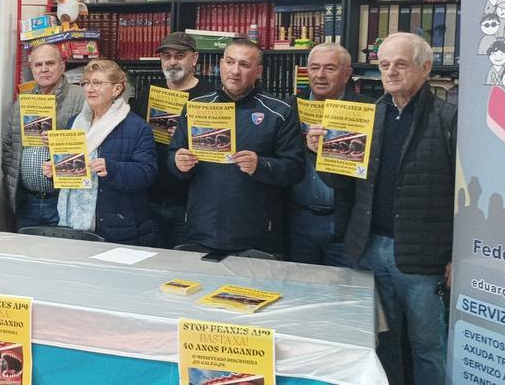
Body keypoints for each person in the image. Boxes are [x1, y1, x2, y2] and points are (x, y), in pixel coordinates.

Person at [311, 33, 456, 385]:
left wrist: (455, 256)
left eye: (400, 64)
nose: (390, 72)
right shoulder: (367, 115)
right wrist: (322, 153)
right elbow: (341, 184)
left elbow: (464, 195)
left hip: (423, 256)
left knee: (427, 346)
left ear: (425, 67)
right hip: (369, 248)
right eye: (384, 64)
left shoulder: (449, 118)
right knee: (382, 342)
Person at [168, 38, 305, 257]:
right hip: (201, 228)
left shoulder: (280, 111)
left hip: (256, 233)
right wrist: (178, 162)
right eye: (230, 62)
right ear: (220, 65)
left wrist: (261, 165)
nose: (235, 71)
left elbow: (295, 168)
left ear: (258, 71)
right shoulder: (197, 107)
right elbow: (173, 153)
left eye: (244, 64)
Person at [39, 60, 158, 245]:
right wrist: (54, 170)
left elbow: (147, 174)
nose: (89, 89)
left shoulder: (137, 127)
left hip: (116, 227)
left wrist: (112, 168)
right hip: (72, 225)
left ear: (117, 89)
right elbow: (72, 168)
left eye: (97, 83)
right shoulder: (74, 123)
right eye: (86, 83)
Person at [128, 32, 214, 248]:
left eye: (179, 55)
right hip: (150, 198)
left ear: (193, 59)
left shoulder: (211, 97)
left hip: (191, 202)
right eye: (167, 56)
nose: (172, 61)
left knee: (186, 266)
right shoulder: (149, 93)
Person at [287, 43, 368, 266]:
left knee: (344, 293)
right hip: (298, 219)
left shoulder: (368, 110)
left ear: (347, 73)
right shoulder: (289, 107)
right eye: (314, 68)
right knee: (298, 289)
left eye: (330, 68)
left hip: (345, 223)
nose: (320, 75)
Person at [2, 44, 86, 230]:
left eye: (50, 63)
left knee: (60, 254)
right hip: (26, 201)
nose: (44, 69)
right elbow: (9, 147)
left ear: (62, 66)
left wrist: (59, 142)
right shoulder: (22, 102)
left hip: (62, 200)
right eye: (38, 65)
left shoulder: (82, 98)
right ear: (32, 69)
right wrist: (12, 189)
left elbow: (92, 145)